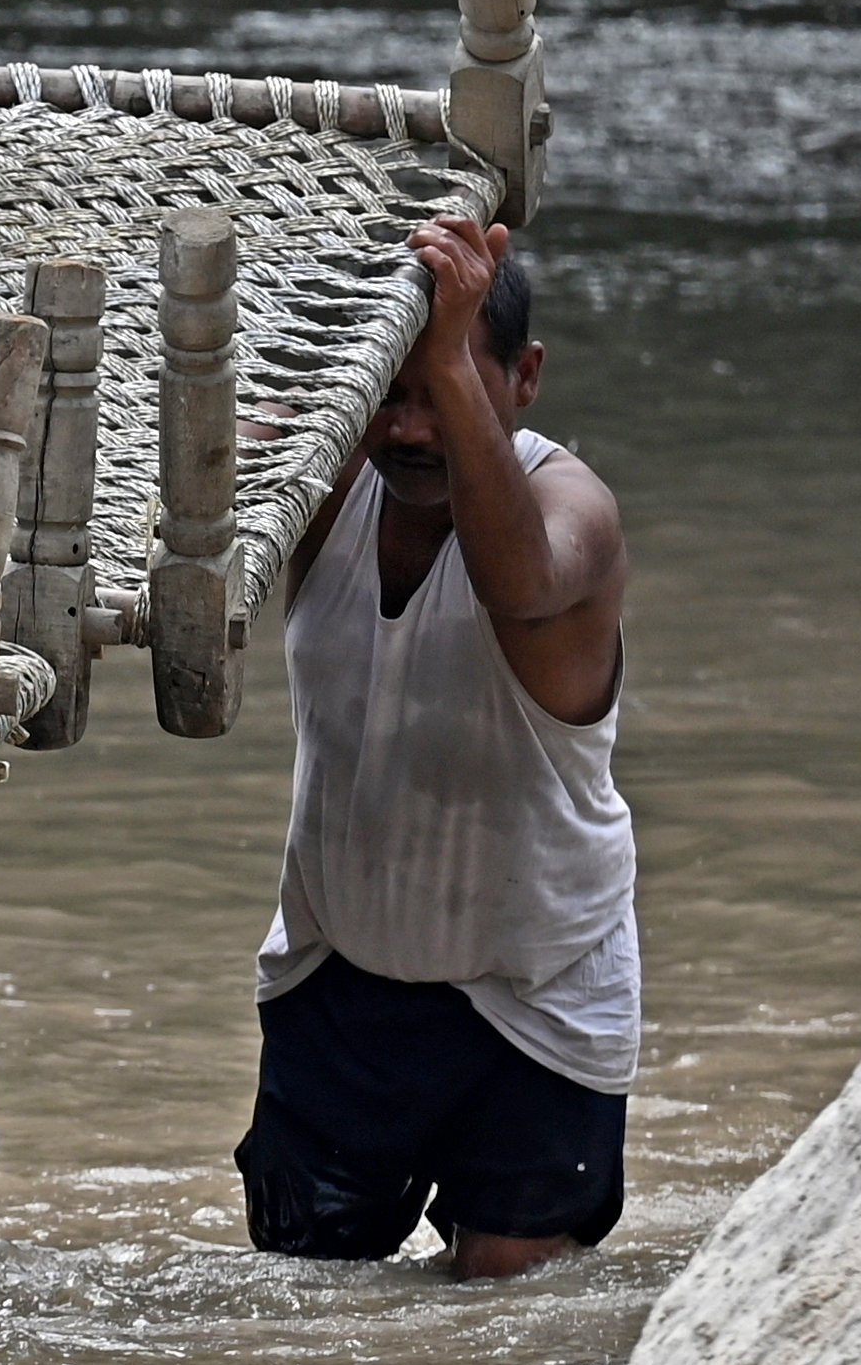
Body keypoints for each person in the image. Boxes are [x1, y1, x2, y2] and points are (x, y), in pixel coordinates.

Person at [234, 218, 635, 1279]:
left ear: (524, 377)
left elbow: (520, 584)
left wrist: (445, 349)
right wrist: (342, 338)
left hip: (537, 988)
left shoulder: (574, 512)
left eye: (444, 388)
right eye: (389, 394)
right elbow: (206, 493)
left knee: (502, 1309)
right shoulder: (328, 484)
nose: (410, 429)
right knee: (306, 1302)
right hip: (340, 965)